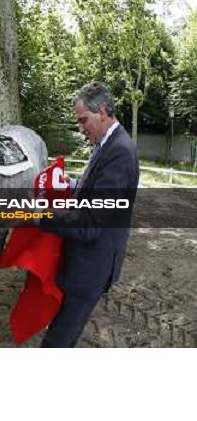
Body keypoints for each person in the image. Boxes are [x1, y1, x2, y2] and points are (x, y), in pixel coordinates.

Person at [37, 81, 139, 348]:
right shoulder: (108, 144)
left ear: (102, 111)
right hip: (84, 261)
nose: (81, 129)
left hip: (90, 267)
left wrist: (40, 216)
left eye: (83, 121)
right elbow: (92, 190)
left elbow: (91, 221)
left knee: (57, 342)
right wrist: (69, 185)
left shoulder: (120, 153)